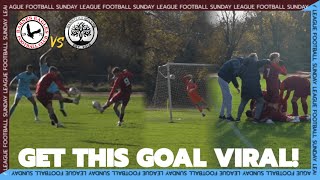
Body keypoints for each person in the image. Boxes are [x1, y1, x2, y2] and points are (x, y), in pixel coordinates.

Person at [236, 53, 271, 123]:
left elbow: (238, 73)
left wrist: (245, 78)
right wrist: (268, 60)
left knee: (243, 102)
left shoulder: (243, 65)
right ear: (255, 58)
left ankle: (237, 118)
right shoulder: (255, 63)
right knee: (260, 101)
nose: (257, 59)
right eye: (257, 58)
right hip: (255, 87)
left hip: (245, 87)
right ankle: (256, 119)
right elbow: (264, 61)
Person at [39, 48, 67, 117]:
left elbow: (58, 75)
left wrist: (60, 77)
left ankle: (61, 108)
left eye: (50, 60)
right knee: (49, 103)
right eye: (48, 60)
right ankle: (51, 116)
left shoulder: (52, 68)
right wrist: (48, 51)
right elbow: (41, 58)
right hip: (45, 86)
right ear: (45, 61)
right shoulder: (43, 66)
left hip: (52, 85)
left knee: (60, 95)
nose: (49, 61)